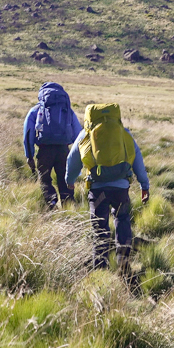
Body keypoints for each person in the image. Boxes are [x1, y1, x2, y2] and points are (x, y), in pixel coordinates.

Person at [64, 103, 150, 274]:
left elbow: (72, 159)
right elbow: (137, 158)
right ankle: (123, 260)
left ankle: (101, 269)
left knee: (100, 228)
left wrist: (70, 180)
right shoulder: (124, 134)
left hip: (97, 189)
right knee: (122, 219)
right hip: (121, 188)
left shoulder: (85, 134)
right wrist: (144, 185)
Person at [22, 82, 83, 207]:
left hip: (44, 150)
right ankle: (68, 207)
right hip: (64, 150)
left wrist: (29, 156)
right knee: (64, 179)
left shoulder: (36, 110)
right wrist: (80, 157)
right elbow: (79, 134)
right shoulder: (67, 110)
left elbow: (28, 134)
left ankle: (51, 204)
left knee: (44, 179)